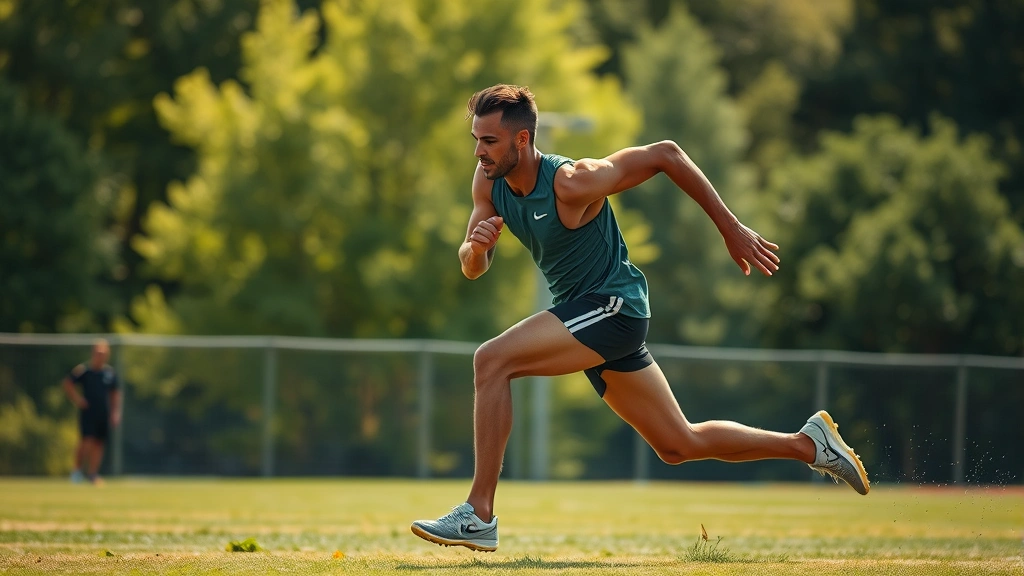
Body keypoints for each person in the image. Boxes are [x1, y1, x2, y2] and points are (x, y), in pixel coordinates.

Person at [410, 84, 869, 552]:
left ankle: (478, 514)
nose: (479, 151)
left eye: (488, 141)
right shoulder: (486, 182)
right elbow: (472, 268)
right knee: (678, 445)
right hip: (587, 318)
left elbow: (666, 154)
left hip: (614, 307)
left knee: (492, 360)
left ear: (523, 140)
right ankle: (810, 445)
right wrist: (478, 246)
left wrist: (731, 230)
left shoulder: (572, 181)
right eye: (476, 139)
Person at [62, 339, 121, 485]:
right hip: (88, 412)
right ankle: (76, 472)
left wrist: (115, 412)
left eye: (103, 353)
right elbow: (68, 384)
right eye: (98, 353)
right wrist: (78, 400)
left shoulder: (109, 373)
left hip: (103, 412)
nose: (100, 356)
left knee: (98, 443)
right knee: (86, 442)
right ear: (93, 353)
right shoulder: (84, 371)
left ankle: (93, 474)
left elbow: (115, 394)